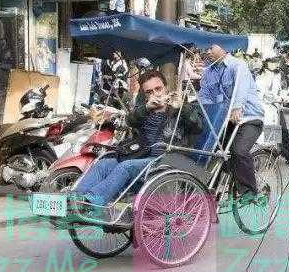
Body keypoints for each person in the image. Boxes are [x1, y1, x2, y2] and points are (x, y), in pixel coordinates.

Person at [74, 69, 203, 207]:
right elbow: (130, 120)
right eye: (149, 92)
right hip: (142, 157)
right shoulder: (145, 110)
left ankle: (92, 201)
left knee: (125, 166)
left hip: (169, 160)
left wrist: (182, 107)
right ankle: (74, 199)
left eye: (158, 89)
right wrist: (147, 107)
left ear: (166, 88)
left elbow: (198, 127)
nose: (155, 94)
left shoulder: (181, 108)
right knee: (103, 164)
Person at [198, 42, 265, 203]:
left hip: (248, 118)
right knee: (212, 152)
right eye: (205, 49)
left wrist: (236, 107)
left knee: (238, 151)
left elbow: (240, 89)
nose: (207, 52)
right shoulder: (209, 72)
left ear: (223, 47)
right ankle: (211, 191)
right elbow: (204, 95)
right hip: (225, 120)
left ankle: (250, 191)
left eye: (210, 48)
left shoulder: (238, 65)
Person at [255, 56, 289, 165]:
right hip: (264, 107)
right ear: (265, 62)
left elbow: (284, 88)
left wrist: (283, 96)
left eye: (275, 62)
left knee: (283, 131)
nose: (273, 64)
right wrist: (274, 98)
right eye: (271, 61)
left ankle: (287, 156)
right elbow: (259, 92)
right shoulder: (259, 74)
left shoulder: (280, 74)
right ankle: (268, 157)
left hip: (276, 107)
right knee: (267, 133)